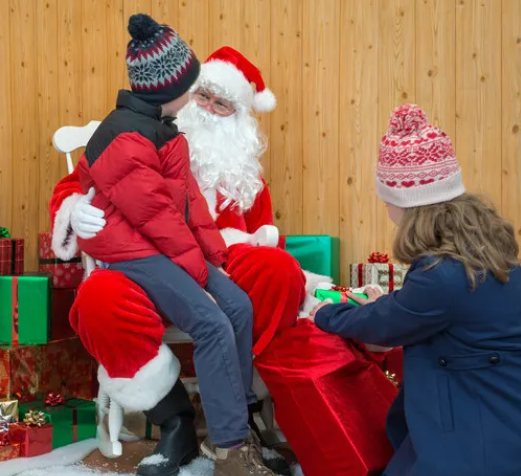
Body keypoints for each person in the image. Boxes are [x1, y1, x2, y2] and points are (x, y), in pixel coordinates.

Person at [50, 45, 319, 476]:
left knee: (276, 270)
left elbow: (253, 234)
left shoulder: (245, 176)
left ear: (240, 117)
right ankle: (173, 419)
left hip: (216, 260)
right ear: (184, 96)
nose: (210, 109)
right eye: (203, 97)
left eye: (222, 103)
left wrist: (224, 258)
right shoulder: (140, 134)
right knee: (99, 295)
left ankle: (235, 424)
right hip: (139, 264)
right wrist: (72, 209)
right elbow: (80, 181)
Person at [310, 103, 521, 476]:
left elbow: (385, 325)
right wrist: (392, 304)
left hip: (473, 437)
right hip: (499, 416)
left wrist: (324, 313)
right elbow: (425, 311)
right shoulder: (481, 256)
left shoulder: (440, 276)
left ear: (405, 204)